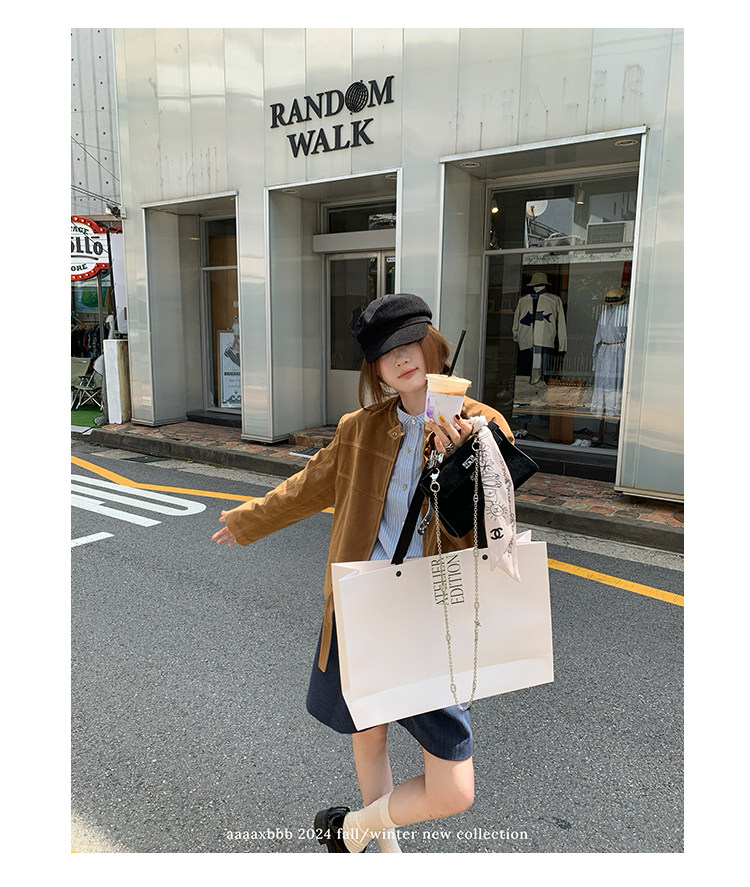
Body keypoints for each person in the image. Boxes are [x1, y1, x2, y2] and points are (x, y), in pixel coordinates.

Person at [212, 293, 514, 853]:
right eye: (385, 352)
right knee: (368, 732)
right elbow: (309, 486)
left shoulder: (481, 424)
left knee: (454, 789)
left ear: (432, 345)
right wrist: (250, 519)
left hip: (436, 616)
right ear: (376, 369)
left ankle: (354, 829)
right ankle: (386, 856)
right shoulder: (360, 428)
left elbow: (499, 511)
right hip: (365, 605)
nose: (401, 358)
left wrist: (465, 456)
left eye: (410, 343)